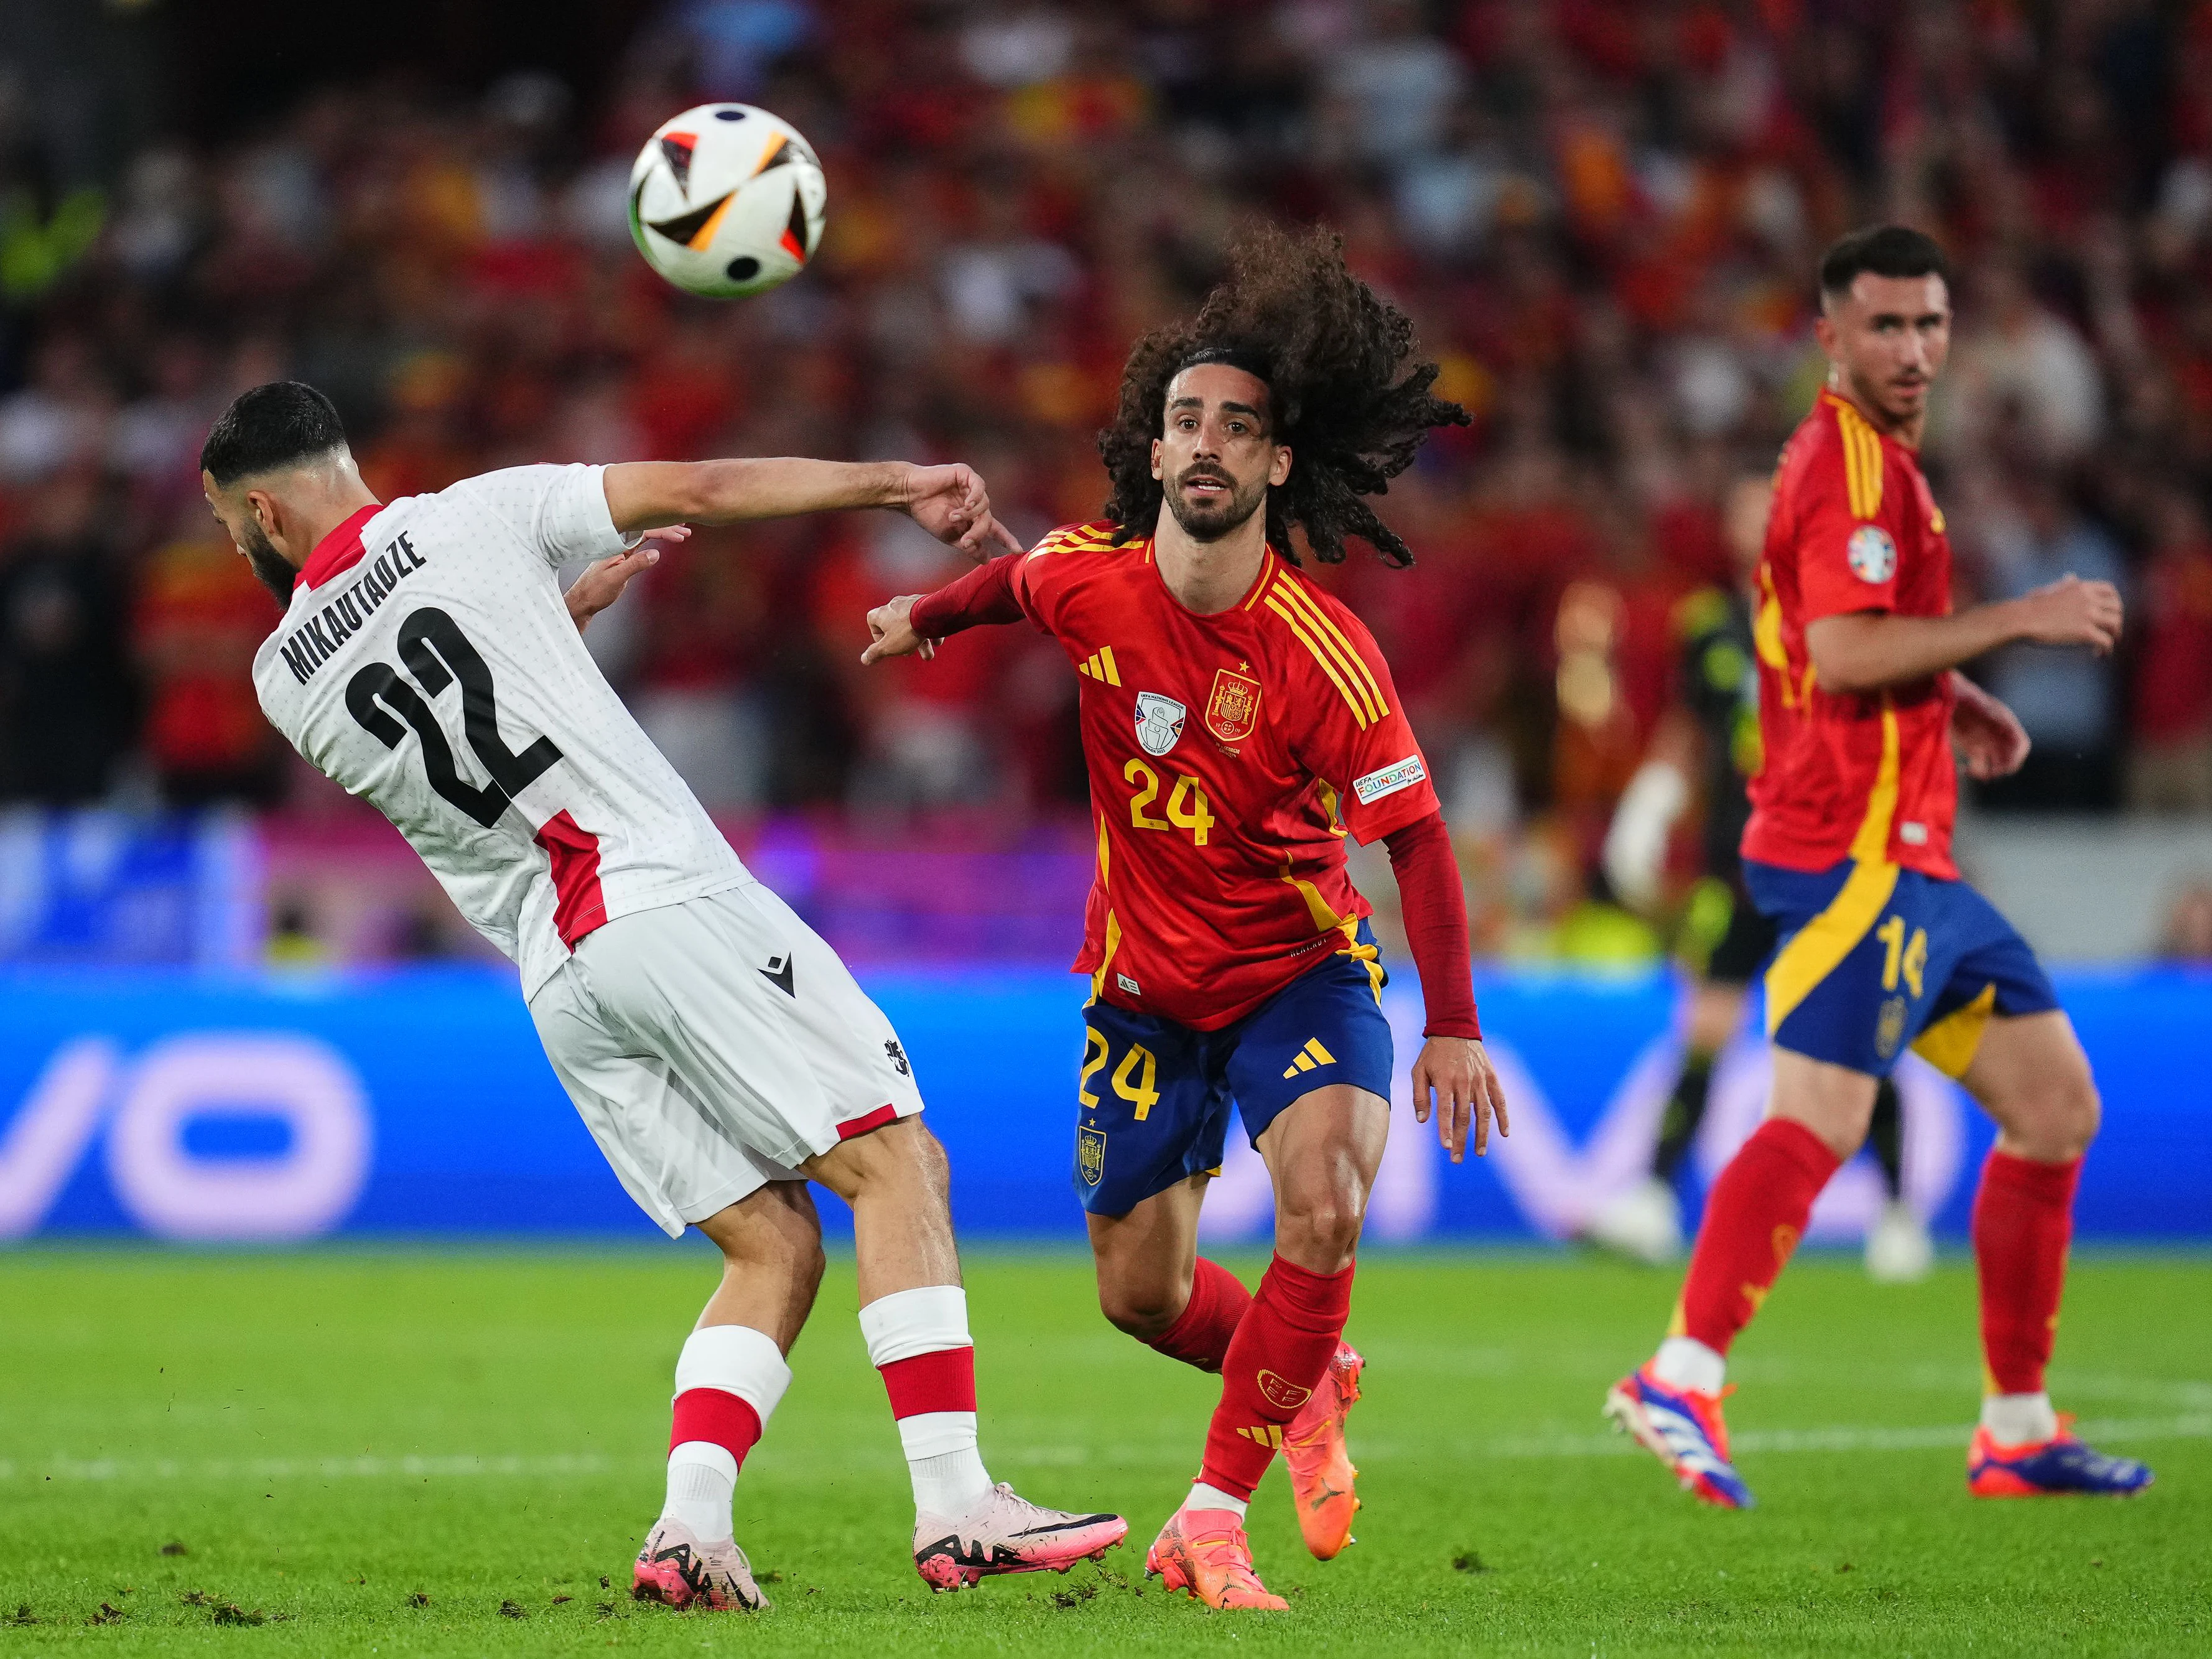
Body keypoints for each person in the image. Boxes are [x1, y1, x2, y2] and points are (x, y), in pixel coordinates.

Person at [200, 381, 1125, 1612]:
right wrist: (894, 482)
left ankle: (687, 1531)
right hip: (659, 896)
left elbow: (455, 708)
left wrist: (556, 610)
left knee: (770, 1242)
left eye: (227, 523)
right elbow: (702, 488)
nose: (233, 541)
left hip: (560, 974)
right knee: (896, 1162)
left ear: (263, 508)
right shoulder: (480, 517)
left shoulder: (283, 677)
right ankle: (958, 1502)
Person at [848, 226, 1509, 1610]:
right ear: (1152, 454)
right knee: (1139, 1295)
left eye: (1237, 427)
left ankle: (1209, 1516)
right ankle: (1307, 1371)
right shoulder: (1091, 577)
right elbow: (1013, 588)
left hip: (1295, 976)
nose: (1205, 442)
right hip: (1141, 987)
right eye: (1183, 422)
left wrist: (1449, 1026)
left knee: (1322, 1207)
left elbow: (1419, 840)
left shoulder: (1323, 653)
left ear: (1277, 464)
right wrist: (927, 615)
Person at [1602, 227, 2152, 1507]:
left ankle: (2013, 1425)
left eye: (1929, 324)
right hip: (1849, 848)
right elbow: (1844, 656)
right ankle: (1678, 1371)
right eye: (1885, 326)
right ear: (1830, 338)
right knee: (1822, 1117)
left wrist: (1950, 686)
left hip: (1912, 854)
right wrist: (2015, 623)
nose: (1912, 349)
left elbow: (1826, 637)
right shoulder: (1848, 468)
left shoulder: (1881, 470)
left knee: (2054, 1106)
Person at [1594, 473, 1929, 1282]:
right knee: (1705, 1029)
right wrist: (1653, 798)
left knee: (1854, 1040)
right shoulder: (1710, 624)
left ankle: (1896, 1210)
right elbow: (1691, 727)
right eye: (1747, 511)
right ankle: (1651, 1198)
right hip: (1735, 867)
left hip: (1822, 864)